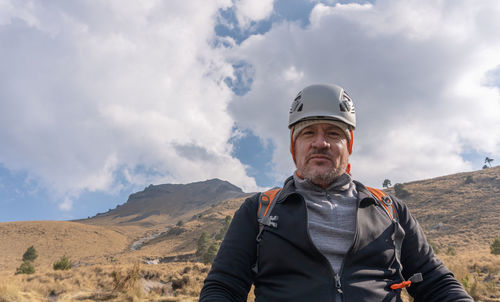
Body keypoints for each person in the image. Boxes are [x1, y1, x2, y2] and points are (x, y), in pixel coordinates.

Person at [199, 84, 472, 301]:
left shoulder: (390, 210)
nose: (321, 143)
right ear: (294, 147)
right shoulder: (259, 210)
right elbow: (223, 287)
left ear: (348, 145)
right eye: (308, 133)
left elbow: (436, 282)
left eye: (333, 133)